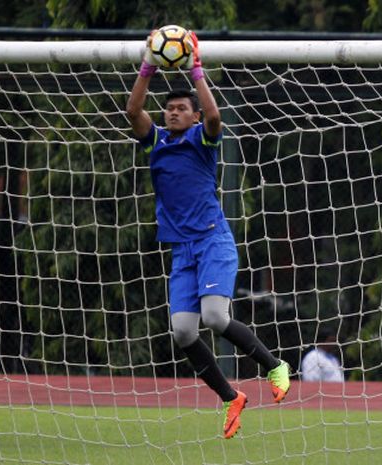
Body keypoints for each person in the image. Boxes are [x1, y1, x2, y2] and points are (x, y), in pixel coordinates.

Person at [126, 30, 290, 439]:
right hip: (181, 251)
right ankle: (230, 397)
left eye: (182, 109)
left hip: (213, 241)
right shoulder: (156, 143)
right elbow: (133, 111)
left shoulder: (203, 138)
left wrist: (196, 70)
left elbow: (216, 118)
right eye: (170, 109)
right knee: (183, 331)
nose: (174, 113)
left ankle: (274, 365)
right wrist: (147, 67)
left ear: (194, 115)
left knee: (215, 317)